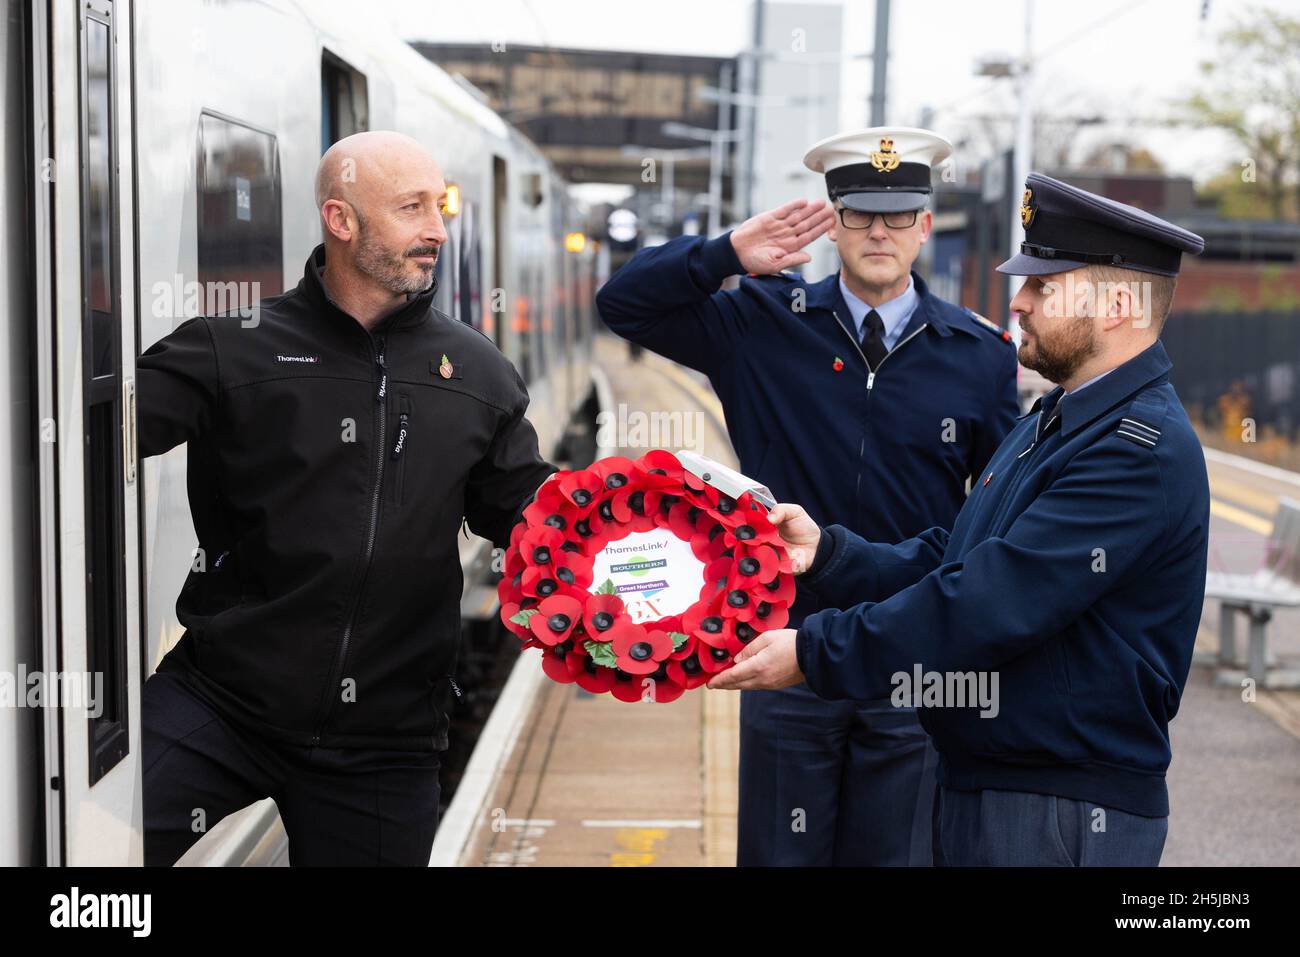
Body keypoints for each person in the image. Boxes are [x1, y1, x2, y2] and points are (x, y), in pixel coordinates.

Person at [709, 172, 1209, 867]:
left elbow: (988, 600)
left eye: (1042, 286)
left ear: (1118, 304)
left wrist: (814, 651)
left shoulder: (1134, 451)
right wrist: (830, 553)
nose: (1019, 301)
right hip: (997, 786)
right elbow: (961, 554)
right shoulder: (1060, 422)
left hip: (1059, 811)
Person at [597, 128, 1019, 866]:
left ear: (926, 225)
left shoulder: (978, 356)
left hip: (907, 655)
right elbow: (623, 304)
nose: (879, 231)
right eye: (859, 213)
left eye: (899, 214)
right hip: (782, 648)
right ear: (832, 221)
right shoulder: (764, 321)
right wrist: (725, 253)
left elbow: (996, 514)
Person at [136, 130, 554, 866]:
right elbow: (79, 435)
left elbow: (533, 514)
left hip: (386, 737)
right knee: (83, 847)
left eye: (441, 208)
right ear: (341, 219)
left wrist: (650, 535)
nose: (437, 230)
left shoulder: (478, 373)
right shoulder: (233, 348)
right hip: (223, 701)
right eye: (411, 207)